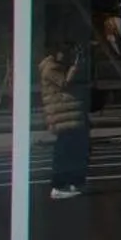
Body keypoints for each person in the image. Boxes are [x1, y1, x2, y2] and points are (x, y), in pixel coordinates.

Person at [38, 32, 92, 200]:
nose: (66, 54)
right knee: (64, 150)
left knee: (75, 149)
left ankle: (73, 181)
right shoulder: (50, 67)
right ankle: (58, 185)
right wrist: (75, 65)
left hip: (70, 114)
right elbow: (65, 82)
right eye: (63, 50)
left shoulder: (60, 65)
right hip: (62, 115)